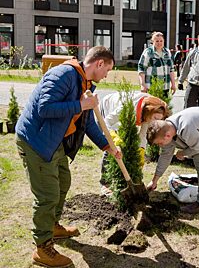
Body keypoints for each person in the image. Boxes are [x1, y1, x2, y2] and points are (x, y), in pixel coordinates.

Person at [15, 46, 121, 267]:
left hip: (54, 142)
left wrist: (106, 146)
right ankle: (42, 248)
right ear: (99, 63)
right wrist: (81, 104)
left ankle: (52, 224)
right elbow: (45, 108)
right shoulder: (63, 74)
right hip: (36, 141)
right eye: (107, 70)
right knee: (47, 196)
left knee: (64, 182)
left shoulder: (86, 83)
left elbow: (88, 121)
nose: (106, 75)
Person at [98, 92, 169, 194]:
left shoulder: (148, 112)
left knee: (128, 144)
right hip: (106, 109)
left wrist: (141, 152)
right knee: (112, 147)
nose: (156, 123)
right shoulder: (127, 106)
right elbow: (107, 122)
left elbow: (142, 135)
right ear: (149, 111)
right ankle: (105, 183)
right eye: (155, 119)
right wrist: (114, 138)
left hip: (128, 113)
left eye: (159, 120)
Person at [138, 31, 176, 98]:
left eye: (161, 41)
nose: (159, 43)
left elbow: (171, 69)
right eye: (157, 41)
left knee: (163, 107)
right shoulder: (148, 52)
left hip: (165, 87)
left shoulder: (167, 52)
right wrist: (142, 84)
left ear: (164, 41)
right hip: (152, 87)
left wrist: (173, 84)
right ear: (153, 42)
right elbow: (141, 68)